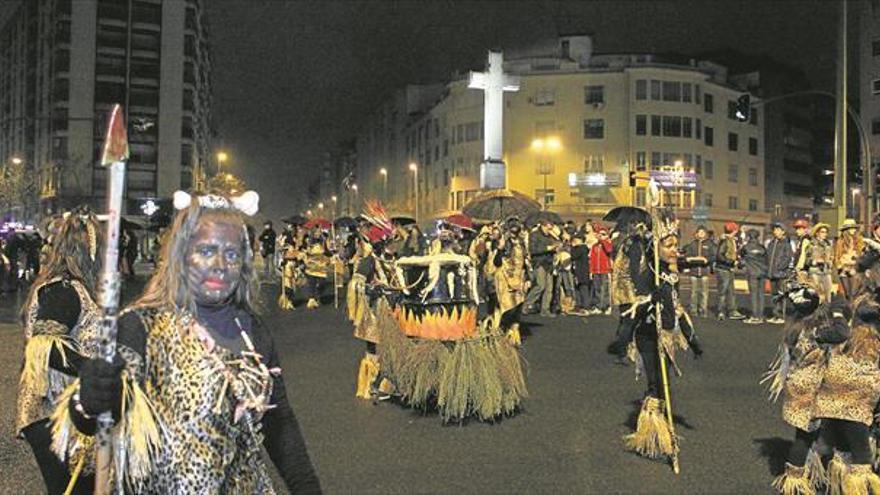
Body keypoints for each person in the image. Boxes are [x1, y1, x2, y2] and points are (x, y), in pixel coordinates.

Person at [54, 189, 322, 493]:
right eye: (206, 250)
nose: (220, 263)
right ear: (181, 256)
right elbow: (96, 420)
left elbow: (279, 422)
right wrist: (89, 399)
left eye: (232, 253)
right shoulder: (142, 326)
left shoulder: (252, 330)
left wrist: (307, 488)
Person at [15, 208, 102, 495]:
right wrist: (93, 369)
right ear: (86, 249)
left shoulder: (65, 287)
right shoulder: (64, 290)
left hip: (60, 415)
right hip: (53, 416)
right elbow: (44, 346)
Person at [763, 284, 851, 494]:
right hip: (809, 389)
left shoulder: (796, 327)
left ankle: (805, 472)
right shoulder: (814, 332)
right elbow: (842, 332)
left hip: (797, 385)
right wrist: (838, 311)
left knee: (807, 434)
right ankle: (794, 482)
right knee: (805, 436)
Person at [811, 248, 880, 493]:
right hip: (852, 369)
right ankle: (844, 483)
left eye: (852, 269)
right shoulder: (859, 295)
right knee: (847, 436)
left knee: (855, 437)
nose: (846, 274)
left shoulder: (868, 300)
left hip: (863, 369)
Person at [523, 220, 559, 317]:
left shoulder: (551, 236)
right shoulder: (534, 235)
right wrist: (547, 248)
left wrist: (556, 245)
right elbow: (533, 250)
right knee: (540, 286)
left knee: (549, 288)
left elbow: (557, 244)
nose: (549, 229)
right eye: (548, 227)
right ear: (543, 226)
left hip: (549, 263)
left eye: (551, 227)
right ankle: (526, 305)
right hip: (539, 263)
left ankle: (545, 310)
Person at [681, 225, 714, 318]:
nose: (701, 234)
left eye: (703, 232)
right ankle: (693, 310)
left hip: (704, 272)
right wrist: (692, 258)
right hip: (694, 271)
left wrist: (706, 259)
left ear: (705, 234)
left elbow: (713, 256)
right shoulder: (692, 244)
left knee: (704, 293)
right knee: (693, 292)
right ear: (696, 234)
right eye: (699, 232)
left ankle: (703, 310)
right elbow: (686, 257)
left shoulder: (710, 244)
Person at [798, 223, 834, 303]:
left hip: (826, 271)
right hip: (815, 271)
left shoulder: (828, 245)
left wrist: (830, 262)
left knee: (828, 294)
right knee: (816, 294)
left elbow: (831, 256)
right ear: (817, 233)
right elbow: (806, 259)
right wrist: (814, 261)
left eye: (826, 232)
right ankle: (816, 313)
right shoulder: (811, 245)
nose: (825, 234)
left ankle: (826, 312)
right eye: (822, 232)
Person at [715, 222, 745, 320]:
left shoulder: (730, 240)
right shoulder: (725, 241)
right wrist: (732, 262)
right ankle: (721, 312)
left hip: (727, 269)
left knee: (731, 291)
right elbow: (720, 255)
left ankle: (732, 311)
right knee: (723, 292)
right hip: (724, 268)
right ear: (734, 230)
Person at [765, 223, 794, 324]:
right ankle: (775, 314)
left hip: (781, 274)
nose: (775, 231)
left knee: (781, 295)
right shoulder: (771, 243)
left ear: (783, 231)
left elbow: (787, 258)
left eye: (778, 229)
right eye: (774, 229)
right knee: (774, 295)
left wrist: (779, 268)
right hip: (772, 273)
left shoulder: (786, 244)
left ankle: (781, 315)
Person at [741, 229, 768, 324]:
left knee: (753, 294)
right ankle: (760, 315)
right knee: (761, 295)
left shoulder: (746, 247)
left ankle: (754, 315)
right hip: (762, 272)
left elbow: (741, 259)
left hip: (752, 272)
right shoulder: (762, 248)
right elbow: (766, 259)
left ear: (749, 236)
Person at [833, 218, 864, 301]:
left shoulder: (859, 240)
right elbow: (837, 256)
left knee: (854, 293)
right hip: (843, 269)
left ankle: (853, 310)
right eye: (851, 228)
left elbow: (861, 255)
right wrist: (839, 265)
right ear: (846, 230)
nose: (853, 230)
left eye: (854, 228)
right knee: (847, 293)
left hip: (854, 268)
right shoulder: (840, 241)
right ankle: (849, 310)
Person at [588, 225, 613, 315]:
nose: (601, 236)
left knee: (605, 289)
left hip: (605, 270)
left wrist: (603, 240)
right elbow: (592, 258)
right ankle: (598, 306)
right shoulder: (595, 246)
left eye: (603, 234)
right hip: (596, 270)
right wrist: (591, 270)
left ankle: (607, 306)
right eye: (600, 234)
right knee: (597, 289)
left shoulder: (608, 243)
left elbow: (609, 250)